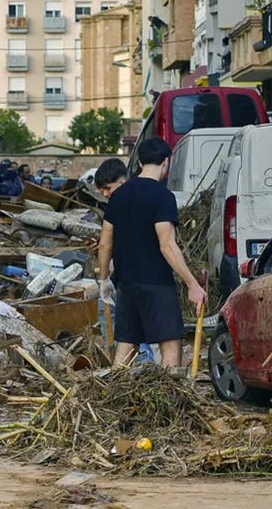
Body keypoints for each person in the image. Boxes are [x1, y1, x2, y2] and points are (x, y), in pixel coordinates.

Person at [97, 138, 206, 370]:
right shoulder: (163, 196)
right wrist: (192, 284)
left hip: (126, 283)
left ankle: (116, 396)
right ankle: (170, 397)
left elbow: (105, 242)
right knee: (169, 342)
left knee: (127, 344)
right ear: (166, 162)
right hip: (156, 283)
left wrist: (104, 279)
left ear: (139, 162)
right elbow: (167, 245)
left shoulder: (118, 196)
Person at [91, 159, 156, 364]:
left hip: (136, 279)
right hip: (125, 277)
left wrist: (104, 279)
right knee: (126, 330)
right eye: (101, 190)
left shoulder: (134, 203)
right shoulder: (125, 203)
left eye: (107, 188)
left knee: (134, 331)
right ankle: (132, 371)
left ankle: (145, 371)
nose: (105, 194)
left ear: (122, 181)